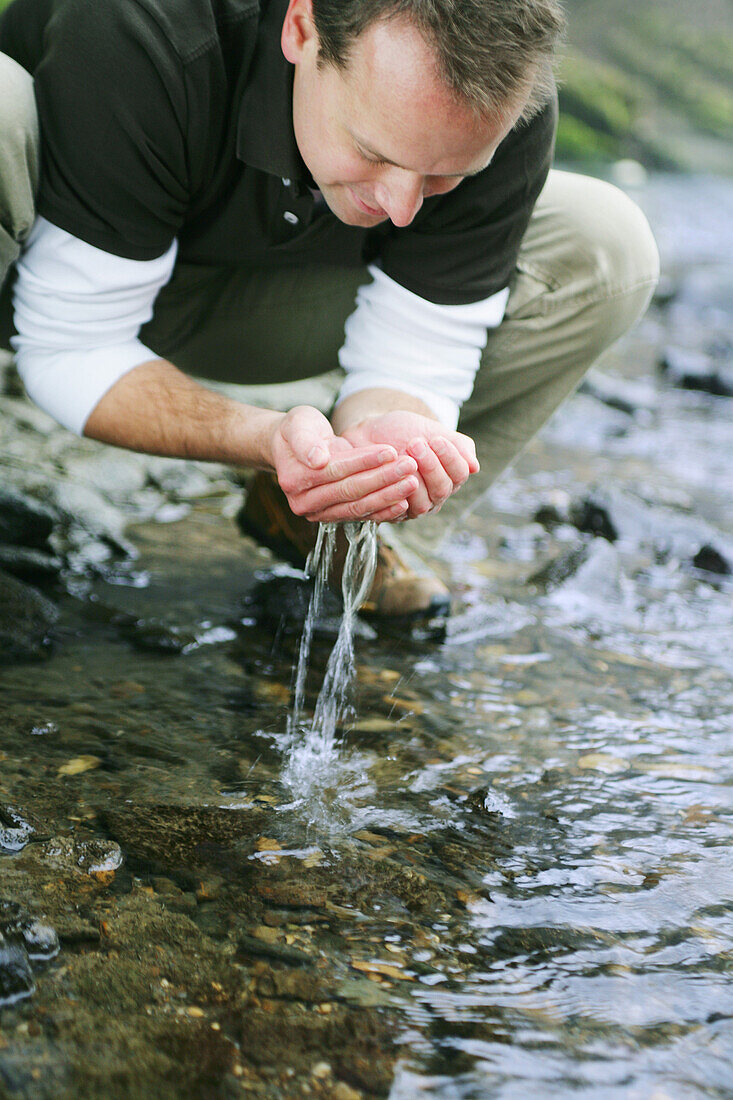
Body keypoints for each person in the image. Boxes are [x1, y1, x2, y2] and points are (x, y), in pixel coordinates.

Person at [0, 0, 659, 621]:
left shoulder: (503, 97)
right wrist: (258, 437)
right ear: (300, 26)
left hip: (252, 301)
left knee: (603, 242)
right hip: (37, 260)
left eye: (442, 178)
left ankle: (336, 527)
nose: (404, 209)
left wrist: (370, 453)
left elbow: (419, 349)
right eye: (373, 152)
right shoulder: (146, 24)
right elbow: (71, 347)